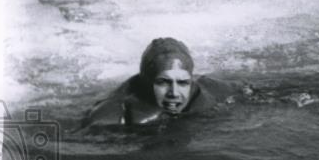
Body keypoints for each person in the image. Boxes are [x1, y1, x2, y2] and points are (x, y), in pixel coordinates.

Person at [82, 37, 239, 128]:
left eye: (182, 83)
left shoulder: (211, 90)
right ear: (147, 83)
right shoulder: (110, 116)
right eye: (163, 82)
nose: (174, 93)